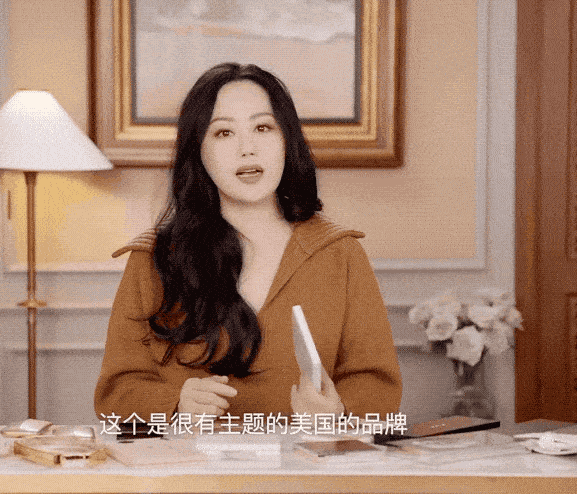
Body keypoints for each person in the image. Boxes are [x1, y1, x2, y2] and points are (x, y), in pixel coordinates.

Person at [94, 63, 401, 425]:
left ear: (287, 141)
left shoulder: (340, 252)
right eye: (223, 132)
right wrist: (174, 403)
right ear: (198, 151)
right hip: (191, 460)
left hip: (305, 460)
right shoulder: (153, 259)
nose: (247, 149)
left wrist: (338, 411)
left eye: (263, 127)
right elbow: (115, 393)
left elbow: (378, 385)